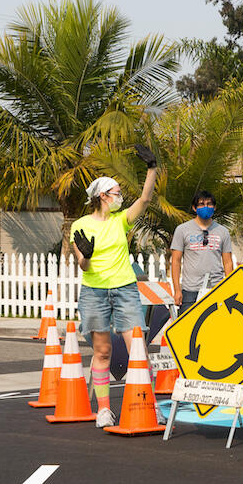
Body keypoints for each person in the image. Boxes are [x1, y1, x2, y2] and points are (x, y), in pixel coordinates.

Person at [70, 144, 160, 428]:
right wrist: (87, 255)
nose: (120, 196)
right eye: (116, 192)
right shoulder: (80, 225)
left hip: (125, 289)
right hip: (94, 291)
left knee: (138, 350)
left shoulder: (121, 220)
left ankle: (150, 406)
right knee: (102, 352)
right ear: (102, 196)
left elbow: (145, 199)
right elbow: (82, 266)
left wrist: (152, 168)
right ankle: (104, 409)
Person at [170, 190, 234, 315]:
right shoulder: (182, 230)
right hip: (190, 291)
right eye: (201, 204)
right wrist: (177, 290)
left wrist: (229, 288)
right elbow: (176, 261)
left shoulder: (223, 231)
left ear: (214, 207)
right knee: (188, 331)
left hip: (216, 289)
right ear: (194, 208)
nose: (206, 207)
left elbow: (228, 262)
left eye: (209, 204)